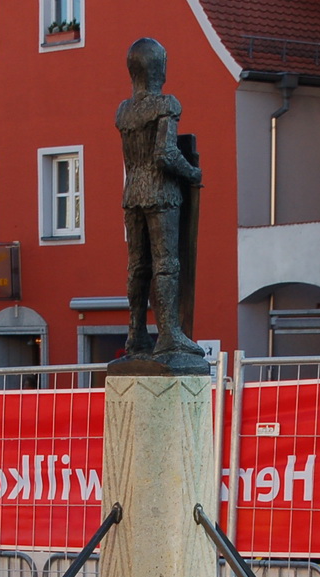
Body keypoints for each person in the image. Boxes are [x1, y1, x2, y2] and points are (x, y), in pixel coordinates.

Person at [115, 37, 206, 369]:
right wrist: (192, 172)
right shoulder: (165, 104)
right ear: (157, 68)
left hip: (132, 192)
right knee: (167, 264)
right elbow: (166, 154)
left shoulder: (123, 111)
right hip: (160, 191)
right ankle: (169, 333)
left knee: (138, 267)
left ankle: (136, 333)